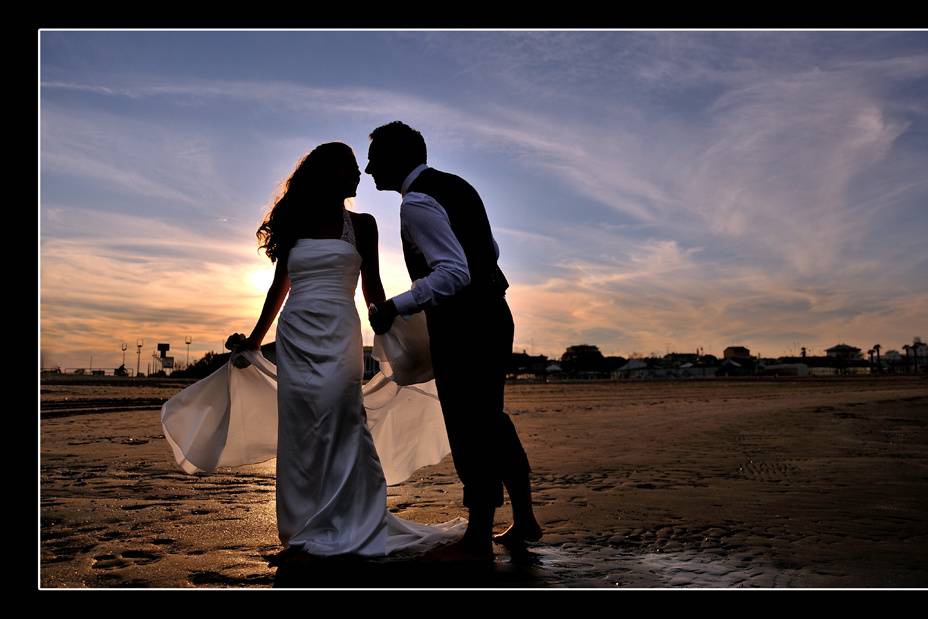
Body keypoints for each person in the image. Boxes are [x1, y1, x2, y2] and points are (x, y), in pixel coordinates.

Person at [162, 142, 464, 559]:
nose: (358, 176)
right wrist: (254, 339)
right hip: (297, 333)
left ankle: (357, 520)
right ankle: (305, 526)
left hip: (341, 334)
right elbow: (277, 288)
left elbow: (371, 288)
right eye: (350, 168)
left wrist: (397, 326)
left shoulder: (363, 224)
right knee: (302, 431)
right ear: (328, 173)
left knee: (344, 419)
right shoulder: (296, 221)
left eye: (360, 168)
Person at [366, 122, 542, 562]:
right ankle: (524, 518)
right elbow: (490, 251)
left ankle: (478, 538)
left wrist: (397, 305)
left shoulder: (417, 202)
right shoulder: (458, 186)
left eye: (374, 158)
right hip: (495, 315)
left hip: (465, 325)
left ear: (395, 158)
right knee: (491, 419)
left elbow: (454, 272)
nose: (368, 169)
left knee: (468, 425)